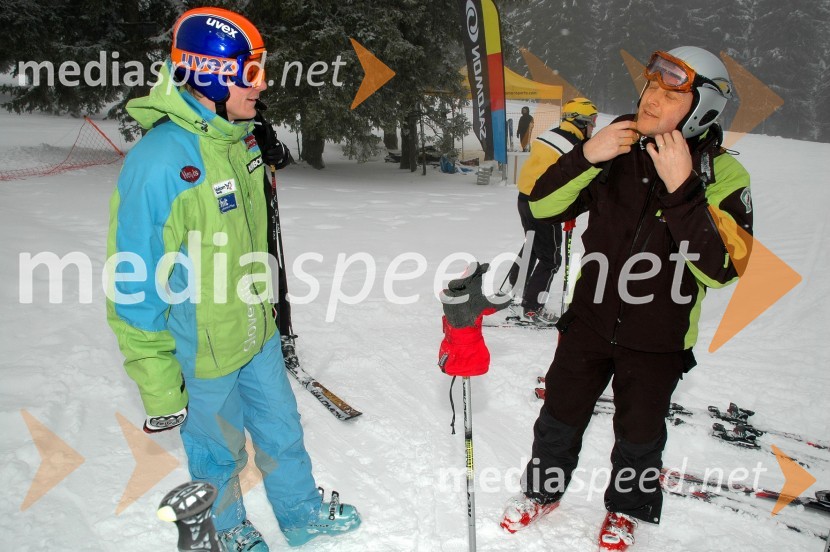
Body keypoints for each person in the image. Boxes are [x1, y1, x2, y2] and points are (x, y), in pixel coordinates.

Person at [106, 7, 361, 551]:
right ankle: (227, 527)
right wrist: (156, 381)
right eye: (250, 71)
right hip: (200, 351)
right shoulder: (159, 164)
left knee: (283, 434)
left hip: (255, 332)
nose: (263, 81)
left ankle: (300, 514)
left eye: (262, 66)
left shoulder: (238, 137)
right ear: (209, 73)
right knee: (218, 453)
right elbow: (133, 280)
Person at [499, 46, 752, 551]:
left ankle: (625, 512)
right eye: (650, 86)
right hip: (589, 322)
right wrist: (587, 156)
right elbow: (543, 208)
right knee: (559, 417)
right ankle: (542, 494)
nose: (651, 98)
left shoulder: (725, 176)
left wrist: (683, 189)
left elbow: (722, 270)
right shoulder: (618, 146)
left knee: (640, 437)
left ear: (701, 108)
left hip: (658, 338)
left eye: (668, 93)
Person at [506, 98, 598, 326]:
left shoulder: (552, 133)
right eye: (592, 122)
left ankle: (516, 288)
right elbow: (578, 179)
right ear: (581, 121)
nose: (593, 127)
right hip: (543, 205)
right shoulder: (575, 147)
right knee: (551, 259)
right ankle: (532, 309)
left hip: (524, 199)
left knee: (533, 245)